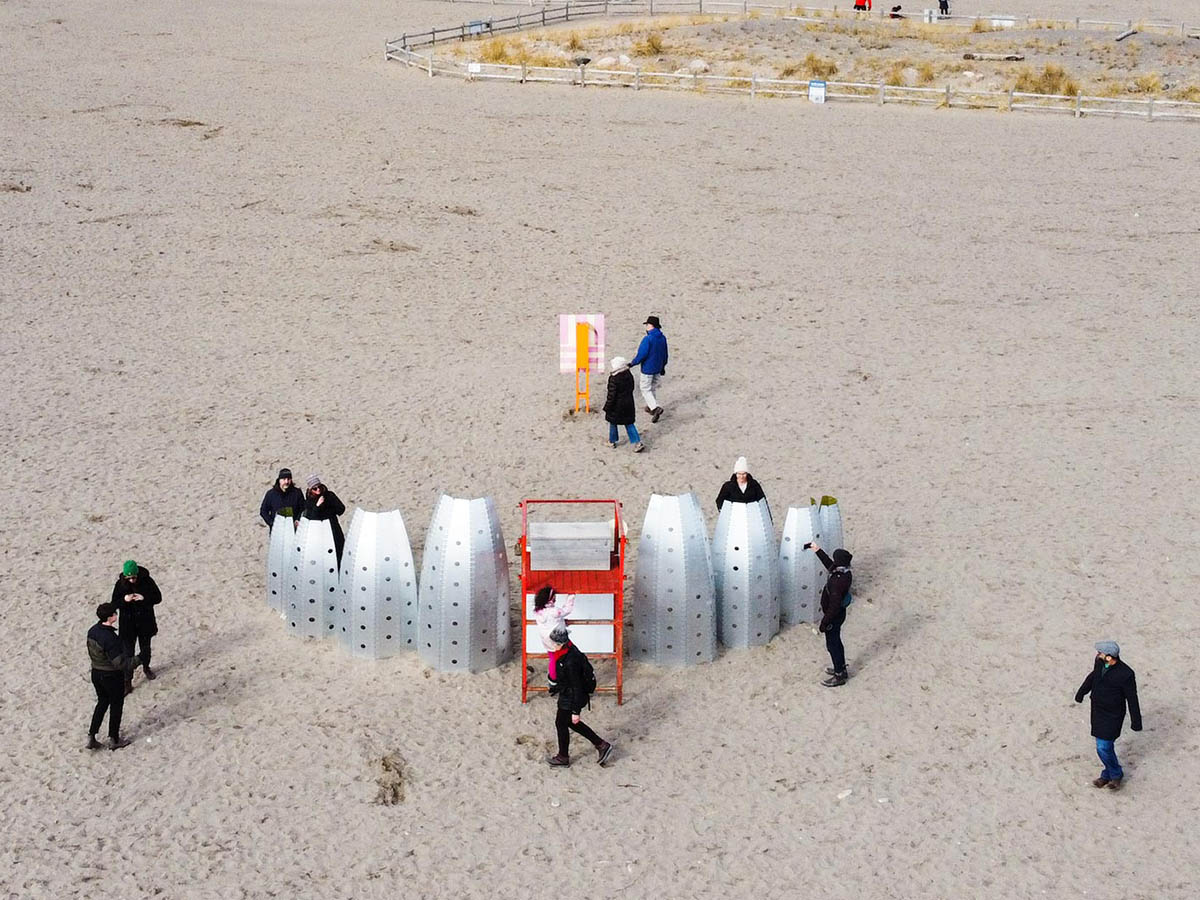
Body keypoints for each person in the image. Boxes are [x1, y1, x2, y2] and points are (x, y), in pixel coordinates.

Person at [1075, 641, 1142, 790]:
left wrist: (1136, 721)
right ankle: (1108, 774)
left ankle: (1115, 774)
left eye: (1101, 653)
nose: (1098, 655)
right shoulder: (1100, 662)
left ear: (1110, 657)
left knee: (1103, 747)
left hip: (1113, 715)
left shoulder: (1126, 674)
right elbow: (1093, 677)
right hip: (1098, 712)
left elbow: (1132, 698)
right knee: (1105, 746)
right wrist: (1081, 692)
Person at [546, 628, 613, 768]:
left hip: (571, 697)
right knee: (569, 723)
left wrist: (576, 711)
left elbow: (576, 686)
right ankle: (601, 745)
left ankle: (563, 757)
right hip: (568, 694)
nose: (552, 645)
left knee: (561, 723)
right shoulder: (568, 651)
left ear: (560, 643)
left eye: (554, 643)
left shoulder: (570, 660)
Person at [112, 559, 162, 692]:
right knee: (128, 653)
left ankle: (146, 667)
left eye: (134, 577)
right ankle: (127, 681)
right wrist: (124, 599)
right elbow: (114, 603)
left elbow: (158, 597)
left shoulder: (147, 581)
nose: (132, 580)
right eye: (129, 578)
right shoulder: (120, 585)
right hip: (128, 625)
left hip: (145, 621)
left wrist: (144, 597)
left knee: (145, 648)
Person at [87, 602, 132, 750]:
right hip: (111, 676)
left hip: (96, 673)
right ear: (111, 617)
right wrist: (137, 660)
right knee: (116, 705)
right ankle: (114, 738)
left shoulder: (92, 631)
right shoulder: (110, 638)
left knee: (102, 703)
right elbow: (119, 663)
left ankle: (92, 735)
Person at [808, 543, 853, 687]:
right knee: (836, 642)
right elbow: (829, 564)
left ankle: (839, 674)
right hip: (839, 614)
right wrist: (817, 550)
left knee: (832, 645)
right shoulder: (845, 572)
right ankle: (840, 667)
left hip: (834, 617)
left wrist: (824, 623)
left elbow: (834, 606)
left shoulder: (838, 582)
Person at [533, 586, 575, 687]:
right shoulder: (554, 611)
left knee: (552, 658)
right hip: (556, 639)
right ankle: (562, 677)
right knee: (565, 656)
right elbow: (567, 609)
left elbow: (552, 621)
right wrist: (571, 595)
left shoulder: (538, 611)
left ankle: (553, 681)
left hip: (545, 639)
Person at [629, 315, 668, 423]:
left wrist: (633, 363)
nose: (646, 326)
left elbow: (642, 354)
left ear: (651, 326)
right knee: (652, 388)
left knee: (645, 388)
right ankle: (651, 406)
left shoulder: (648, 339)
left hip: (648, 368)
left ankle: (655, 407)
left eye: (647, 324)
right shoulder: (662, 338)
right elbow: (665, 353)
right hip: (658, 367)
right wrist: (663, 366)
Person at [302, 474, 347, 567]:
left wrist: (329, 505)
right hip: (320, 533)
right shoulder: (309, 501)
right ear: (311, 490)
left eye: (319, 487)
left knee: (339, 555)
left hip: (333, 530)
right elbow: (311, 518)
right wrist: (317, 506)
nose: (318, 489)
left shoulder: (329, 495)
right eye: (315, 488)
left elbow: (341, 509)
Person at [603, 356, 644, 453]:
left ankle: (612, 441)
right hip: (628, 403)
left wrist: (607, 406)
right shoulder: (629, 375)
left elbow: (611, 395)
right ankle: (637, 443)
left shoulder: (613, 378)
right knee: (629, 423)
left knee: (613, 423)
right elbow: (632, 387)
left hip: (616, 406)